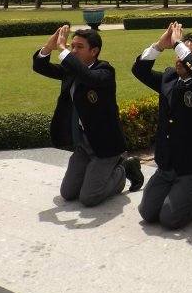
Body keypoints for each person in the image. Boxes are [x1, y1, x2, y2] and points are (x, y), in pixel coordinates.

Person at [33, 25, 144, 206]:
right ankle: (96, 173)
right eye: (72, 46)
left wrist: (63, 49)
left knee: (89, 197)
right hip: (83, 144)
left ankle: (124, 168)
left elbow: (88, 77)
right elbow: (40, 66)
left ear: (94, 51)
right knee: (68, 193)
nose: (74, 50)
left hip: (105, 145)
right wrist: (49, 47)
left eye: (79, 47)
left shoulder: (105, 71)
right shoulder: (70, 70)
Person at [131, 23, 192, 229]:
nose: (180, 58)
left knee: (170, 219)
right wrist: (159, 45)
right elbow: (139, 70)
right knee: (147, 213)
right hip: (168, 163)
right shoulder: (170, 77)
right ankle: (178, 191)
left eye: (186, 54)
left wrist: (178, 45)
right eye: (178, 52)